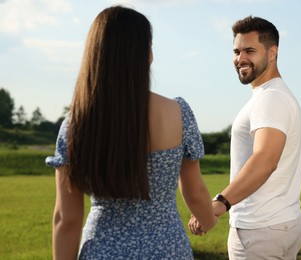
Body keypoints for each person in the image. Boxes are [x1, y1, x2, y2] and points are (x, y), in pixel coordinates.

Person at [46, 6, 217, 259]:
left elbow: (66, 219)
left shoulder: (76, 124)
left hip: (102, 251)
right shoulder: (177, 113)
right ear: (147, 54)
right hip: (168, 249)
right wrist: (208, 220)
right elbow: (194, 191)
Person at [189, 16, 301, 259]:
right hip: (280, 224)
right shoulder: (272, 96)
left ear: (272, 53)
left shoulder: (270, 99)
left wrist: (221, 202)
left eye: (250, 51)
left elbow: (265, 159)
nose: (240, 58)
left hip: (260, 231)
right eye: (237, 51)